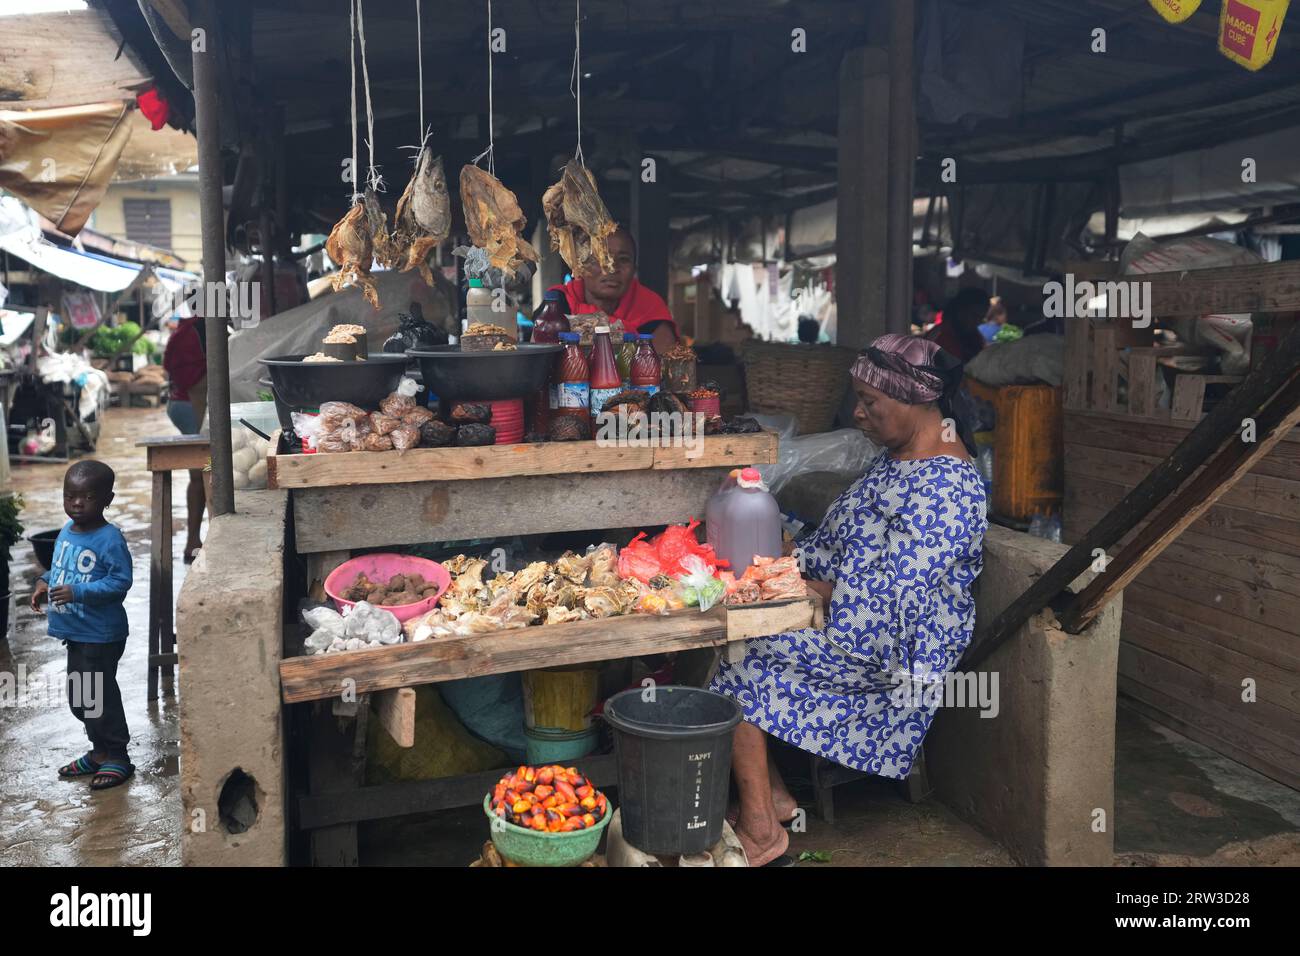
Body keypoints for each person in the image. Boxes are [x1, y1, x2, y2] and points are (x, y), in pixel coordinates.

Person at [708, 333, 988, 866]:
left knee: (743, 656)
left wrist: (824, 591)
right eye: (857, 399)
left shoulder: (948, 488)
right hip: (854, 621)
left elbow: (897, 599)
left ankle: (764, 831)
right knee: (729, 626)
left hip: (896, 659)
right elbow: (843, 541)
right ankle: (777, 800)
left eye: (871, 403)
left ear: (916, 400)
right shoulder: (900, 459)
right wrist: (783, 560)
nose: (858, 414)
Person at [32, 460, 135, 791]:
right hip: (75, 633)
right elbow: (60, 569)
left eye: (87, 497)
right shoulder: (66, 530)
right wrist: (44, 582)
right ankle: (99, 751)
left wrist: (78, 592)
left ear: (108, 499)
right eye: (69, 495)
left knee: (98, 697)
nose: (76, 503)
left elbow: (120, 582)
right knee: (81, 698)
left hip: (101, 634)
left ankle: (118, 754)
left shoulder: (109, 539)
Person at [548, 226, 679, 354]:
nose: (612, 268)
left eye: (623, 260)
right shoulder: (558, 302)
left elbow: (666, 368)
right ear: (581, 266)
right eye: (601, 258)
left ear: (634, 269)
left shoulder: (649, 307)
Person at [162, 312, 207, 563]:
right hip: (191, 405)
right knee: (202, 473)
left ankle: (195, 541)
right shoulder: (202, 330)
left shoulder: (184, 330)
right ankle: (193, 542)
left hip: (178, 404)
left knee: (201, 472)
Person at [928, 287, 990, 362]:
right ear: (961, 311)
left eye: (981, 318)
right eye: (974, 315)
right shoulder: (940, 335)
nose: (978, 322)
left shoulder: (974, 336)